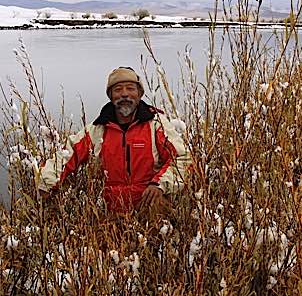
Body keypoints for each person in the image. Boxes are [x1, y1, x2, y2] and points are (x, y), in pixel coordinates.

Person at [38, 66, 190, 212]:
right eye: (118, 89)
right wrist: (46, 182)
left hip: (148, 204)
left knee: (159, 208)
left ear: (140, 93)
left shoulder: (156, 124)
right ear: (111, 96)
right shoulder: (97, 129)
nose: (124, 94)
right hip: (108, 211)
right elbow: (68, 155)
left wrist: (160, 184)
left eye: (130, 88)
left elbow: (182, 158)